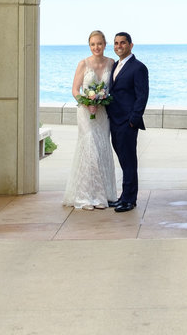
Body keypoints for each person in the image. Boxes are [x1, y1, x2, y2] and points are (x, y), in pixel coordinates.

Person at [62, 30, 118, 210]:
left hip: (102, 114)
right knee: (89, 149)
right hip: (86, 114)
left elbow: (113, 89)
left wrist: (102, 100)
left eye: (99, 44)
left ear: (105, 44)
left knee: (102, 150)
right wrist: (87, 103)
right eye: (93, 44)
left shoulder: (111, 63)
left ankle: (103, 195)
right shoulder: (83, 64)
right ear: (89, 46)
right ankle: (85, 197)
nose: (96, 47)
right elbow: (75, 90)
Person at [107, 31, 149, 212]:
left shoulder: (138, 67)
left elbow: (142, 96)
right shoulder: (115, 65)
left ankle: (130, 200)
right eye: (116, 43)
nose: (119, 46)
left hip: (127, 122)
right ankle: (123, 197)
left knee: (129, 161)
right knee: (123, 161)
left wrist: (133, 120)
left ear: (131, 45)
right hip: (114, 121)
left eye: (123, 43)